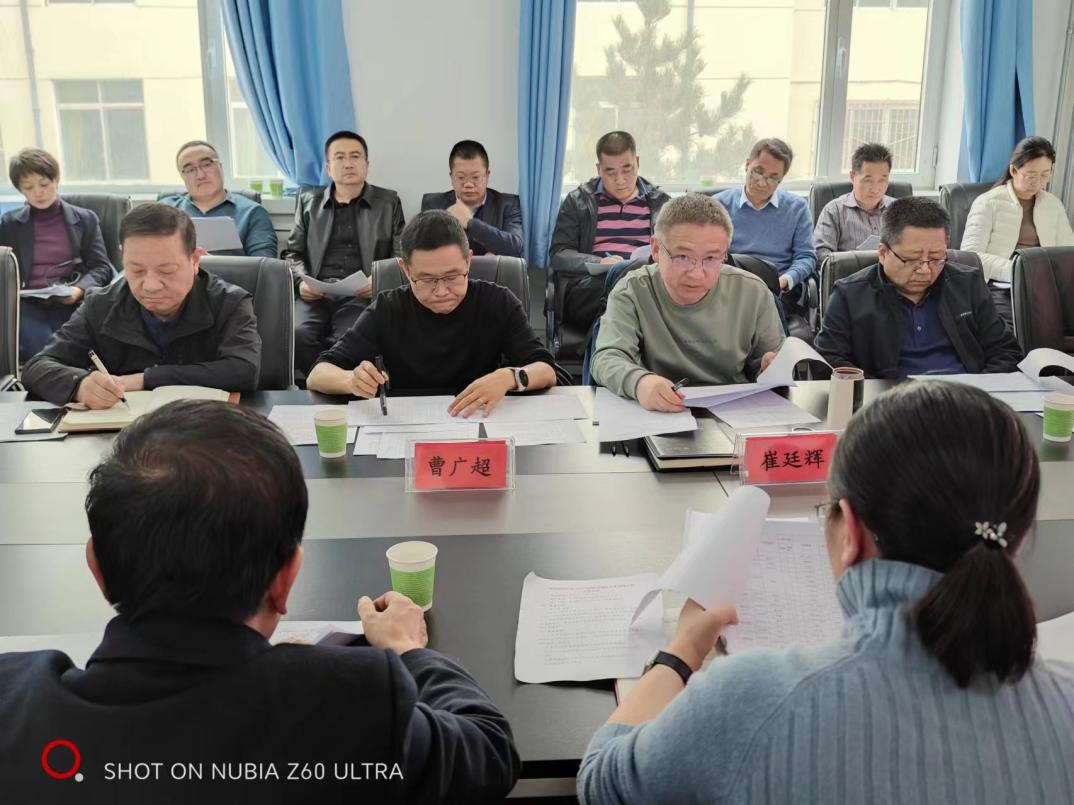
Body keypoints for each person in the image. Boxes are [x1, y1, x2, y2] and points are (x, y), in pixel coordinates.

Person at [578, 381, 1074, 804]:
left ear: (850, 531)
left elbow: (602, 781)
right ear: (1018, 540)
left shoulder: (753, 701)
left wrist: (680, 652)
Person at [0, 400, 521, 801]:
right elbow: (489, 752)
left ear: (97, 567)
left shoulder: (14, 706)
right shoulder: (348, 702)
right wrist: (408, 650)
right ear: (285, 579)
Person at [307, 210, 568, 415]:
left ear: (468, 261)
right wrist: (351, 380)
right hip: (408, 427)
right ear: (406, 269)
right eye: (427, 279)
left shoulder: (498, 302)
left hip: (479, 423)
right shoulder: (389, 308)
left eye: (452, 276)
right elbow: (318, 374)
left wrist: (510, 377)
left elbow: (546, 369)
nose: (441, 291)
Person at [22, 203, 261, 407]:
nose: (151, 286)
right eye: (136, 270)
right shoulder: (101, 305)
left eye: (166, 270)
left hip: (206, 429)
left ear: (195, 260)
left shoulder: (229, 302)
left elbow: (244, 370)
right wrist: (80, 385)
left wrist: (146, 379)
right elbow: (37, 367)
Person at [590, 194, 783, 412]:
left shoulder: (753, 292)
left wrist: (770, 367)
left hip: (735, 412)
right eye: (682, 256)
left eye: (711, 258)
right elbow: (606, 358)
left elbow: (769, 363)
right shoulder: (632, 290)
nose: (696, 274)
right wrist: (639, 382)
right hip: (658, 413)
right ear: (656, 250)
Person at [814, 197, 1022, 378]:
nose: (925, 270)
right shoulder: (850, 295)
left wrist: (978, 392)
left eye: (936, 258)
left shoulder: (967, 284)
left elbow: (1006, 351)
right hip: (889, 402)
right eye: (912, 259)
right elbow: (828, 360)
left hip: (965, 398)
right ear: (883, 253)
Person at [283, 130, 406, 377]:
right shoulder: (308, 201)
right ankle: (318, 384)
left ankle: (338, 388)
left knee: (350, 338)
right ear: (328, 167)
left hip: (360, 294)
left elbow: (400, 255)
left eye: (355, 156)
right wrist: (300, 283)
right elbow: (292, 253)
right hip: (316, 292)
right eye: (339, 157)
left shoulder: (388, 202)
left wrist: (378, 280)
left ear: (366, 165)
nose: (348, 163)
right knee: (298, 333)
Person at [549, 131, 671, 335]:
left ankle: (601, 349)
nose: (620, 180)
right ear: (599, 170)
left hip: (645, 281)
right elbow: (559, 255)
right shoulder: (578, 201)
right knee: (624, 293)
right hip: (594, 287)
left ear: (637, 162)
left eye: (627, 169)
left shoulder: (662, 203)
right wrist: (599, 263)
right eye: (610, 172)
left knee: (642, 290)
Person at [0, 148, 114, 362]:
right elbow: (4, 270)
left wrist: (79, 290)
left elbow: (102, 267)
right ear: (20, 190)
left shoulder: (85, 219)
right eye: (28, 187)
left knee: (69, 350)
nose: (38, 193)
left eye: (44, 184)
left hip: (70, 301)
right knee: (47, 354)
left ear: (56, 180)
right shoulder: (10, 224)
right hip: (26, 304)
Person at [961, 136, 1074, 284]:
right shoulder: (988, 202)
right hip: (1000, 283)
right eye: (1031, 175)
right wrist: (1017, 271)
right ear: (1013, 170)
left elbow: (1068, 252)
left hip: (1044, 283)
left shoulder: (1053, 204)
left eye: (1045, 175)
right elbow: (970, 255)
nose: (1038, 182)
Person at [714, 138, 816, 294]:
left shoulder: (797, 208)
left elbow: (806, 257)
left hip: (775, 289)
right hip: (729, 286)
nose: (762, 183)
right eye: (758, 172)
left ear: (781, 179)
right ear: (747, 164)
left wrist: (784, 281)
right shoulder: (719, 205)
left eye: (773, 178)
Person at [159, 139, 278, 258]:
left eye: (206, 165)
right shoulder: (166, 211)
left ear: (220, 167)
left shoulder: (252, 213)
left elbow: (264, 264)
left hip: (231, 271)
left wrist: (212, 263)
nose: (200, 175)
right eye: (190, 170)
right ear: (182, 177)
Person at [420, 139, 523, 257]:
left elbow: (516, 247)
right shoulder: (434, 204)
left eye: (475, 177)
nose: (468, 184)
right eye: (461, 177)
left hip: (492, 270)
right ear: (451, 177)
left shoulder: (507, 204)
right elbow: (425, 248)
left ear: (487, 176)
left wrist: (470, 223)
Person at [813, 142, 898, 265]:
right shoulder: (834, 211)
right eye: (868, 180)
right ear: (853, 176)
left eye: (882, 180)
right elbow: (822, 258)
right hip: (849, 276)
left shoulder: (899, 209)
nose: (875, 189)